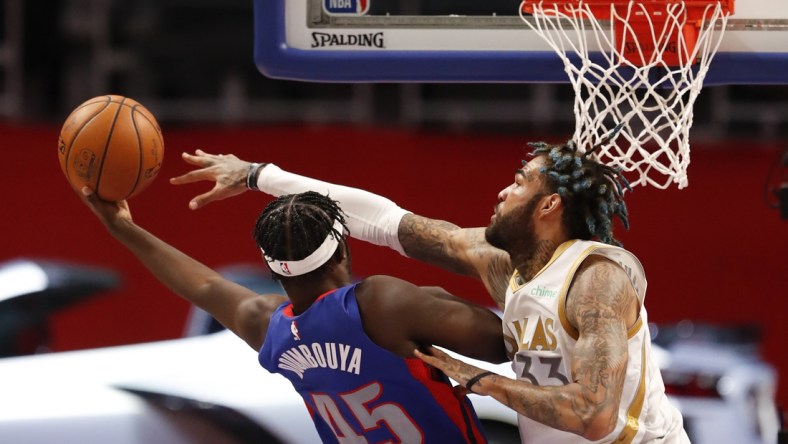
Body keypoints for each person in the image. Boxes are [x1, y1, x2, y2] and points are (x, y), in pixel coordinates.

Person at [171, 145, 689, 443]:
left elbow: (594, 413)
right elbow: (385, 221)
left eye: (520, 182)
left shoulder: (596, 276)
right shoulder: (502, 266)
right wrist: (260, 176)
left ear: (550, 204)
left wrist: (486, 381)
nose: (504, 189)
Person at [77, 186, 508, 443]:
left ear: (271, 269)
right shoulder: (381, 302)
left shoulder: (273, 327)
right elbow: (501, 340)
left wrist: (122, 228)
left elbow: (205, 287)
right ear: (342, 248)